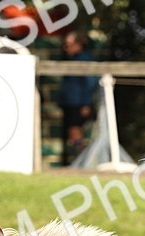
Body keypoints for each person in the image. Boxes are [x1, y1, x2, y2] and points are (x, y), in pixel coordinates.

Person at [57, 31, 98, 165]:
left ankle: (83, 160)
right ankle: (81, 159)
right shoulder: (73, 58)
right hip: (71, 102)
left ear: (79, 44)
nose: (66, 48)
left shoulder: (85, 60)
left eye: (69, 44)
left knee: (75, 131)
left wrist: (86, 103)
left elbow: (90, 83)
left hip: (78, 103)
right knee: (72, 131)